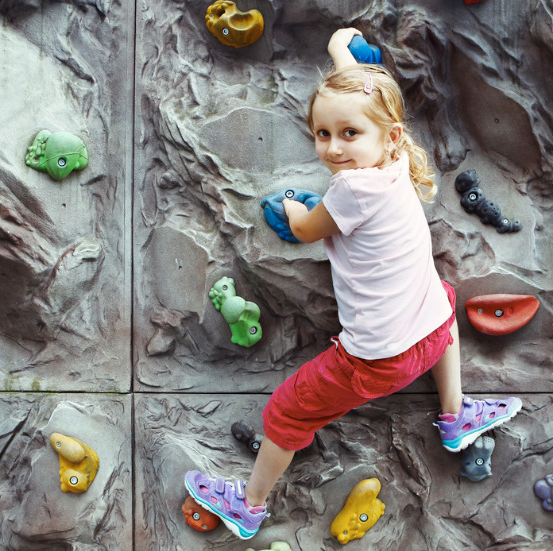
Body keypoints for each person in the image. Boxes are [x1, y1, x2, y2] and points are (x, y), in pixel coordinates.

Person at [183, 28, 522, 541]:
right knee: (443, 298)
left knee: (286, 412)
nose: (333, 148)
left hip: (374, 359)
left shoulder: (351, 189)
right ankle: (454, 415)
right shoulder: (395, 164)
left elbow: (303, 229)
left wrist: (297, 208)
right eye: (323, 134)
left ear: (385, 136)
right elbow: (366, 100)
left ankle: (249, 506)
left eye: (347, 135)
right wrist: (341, 54)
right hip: (428, 333)